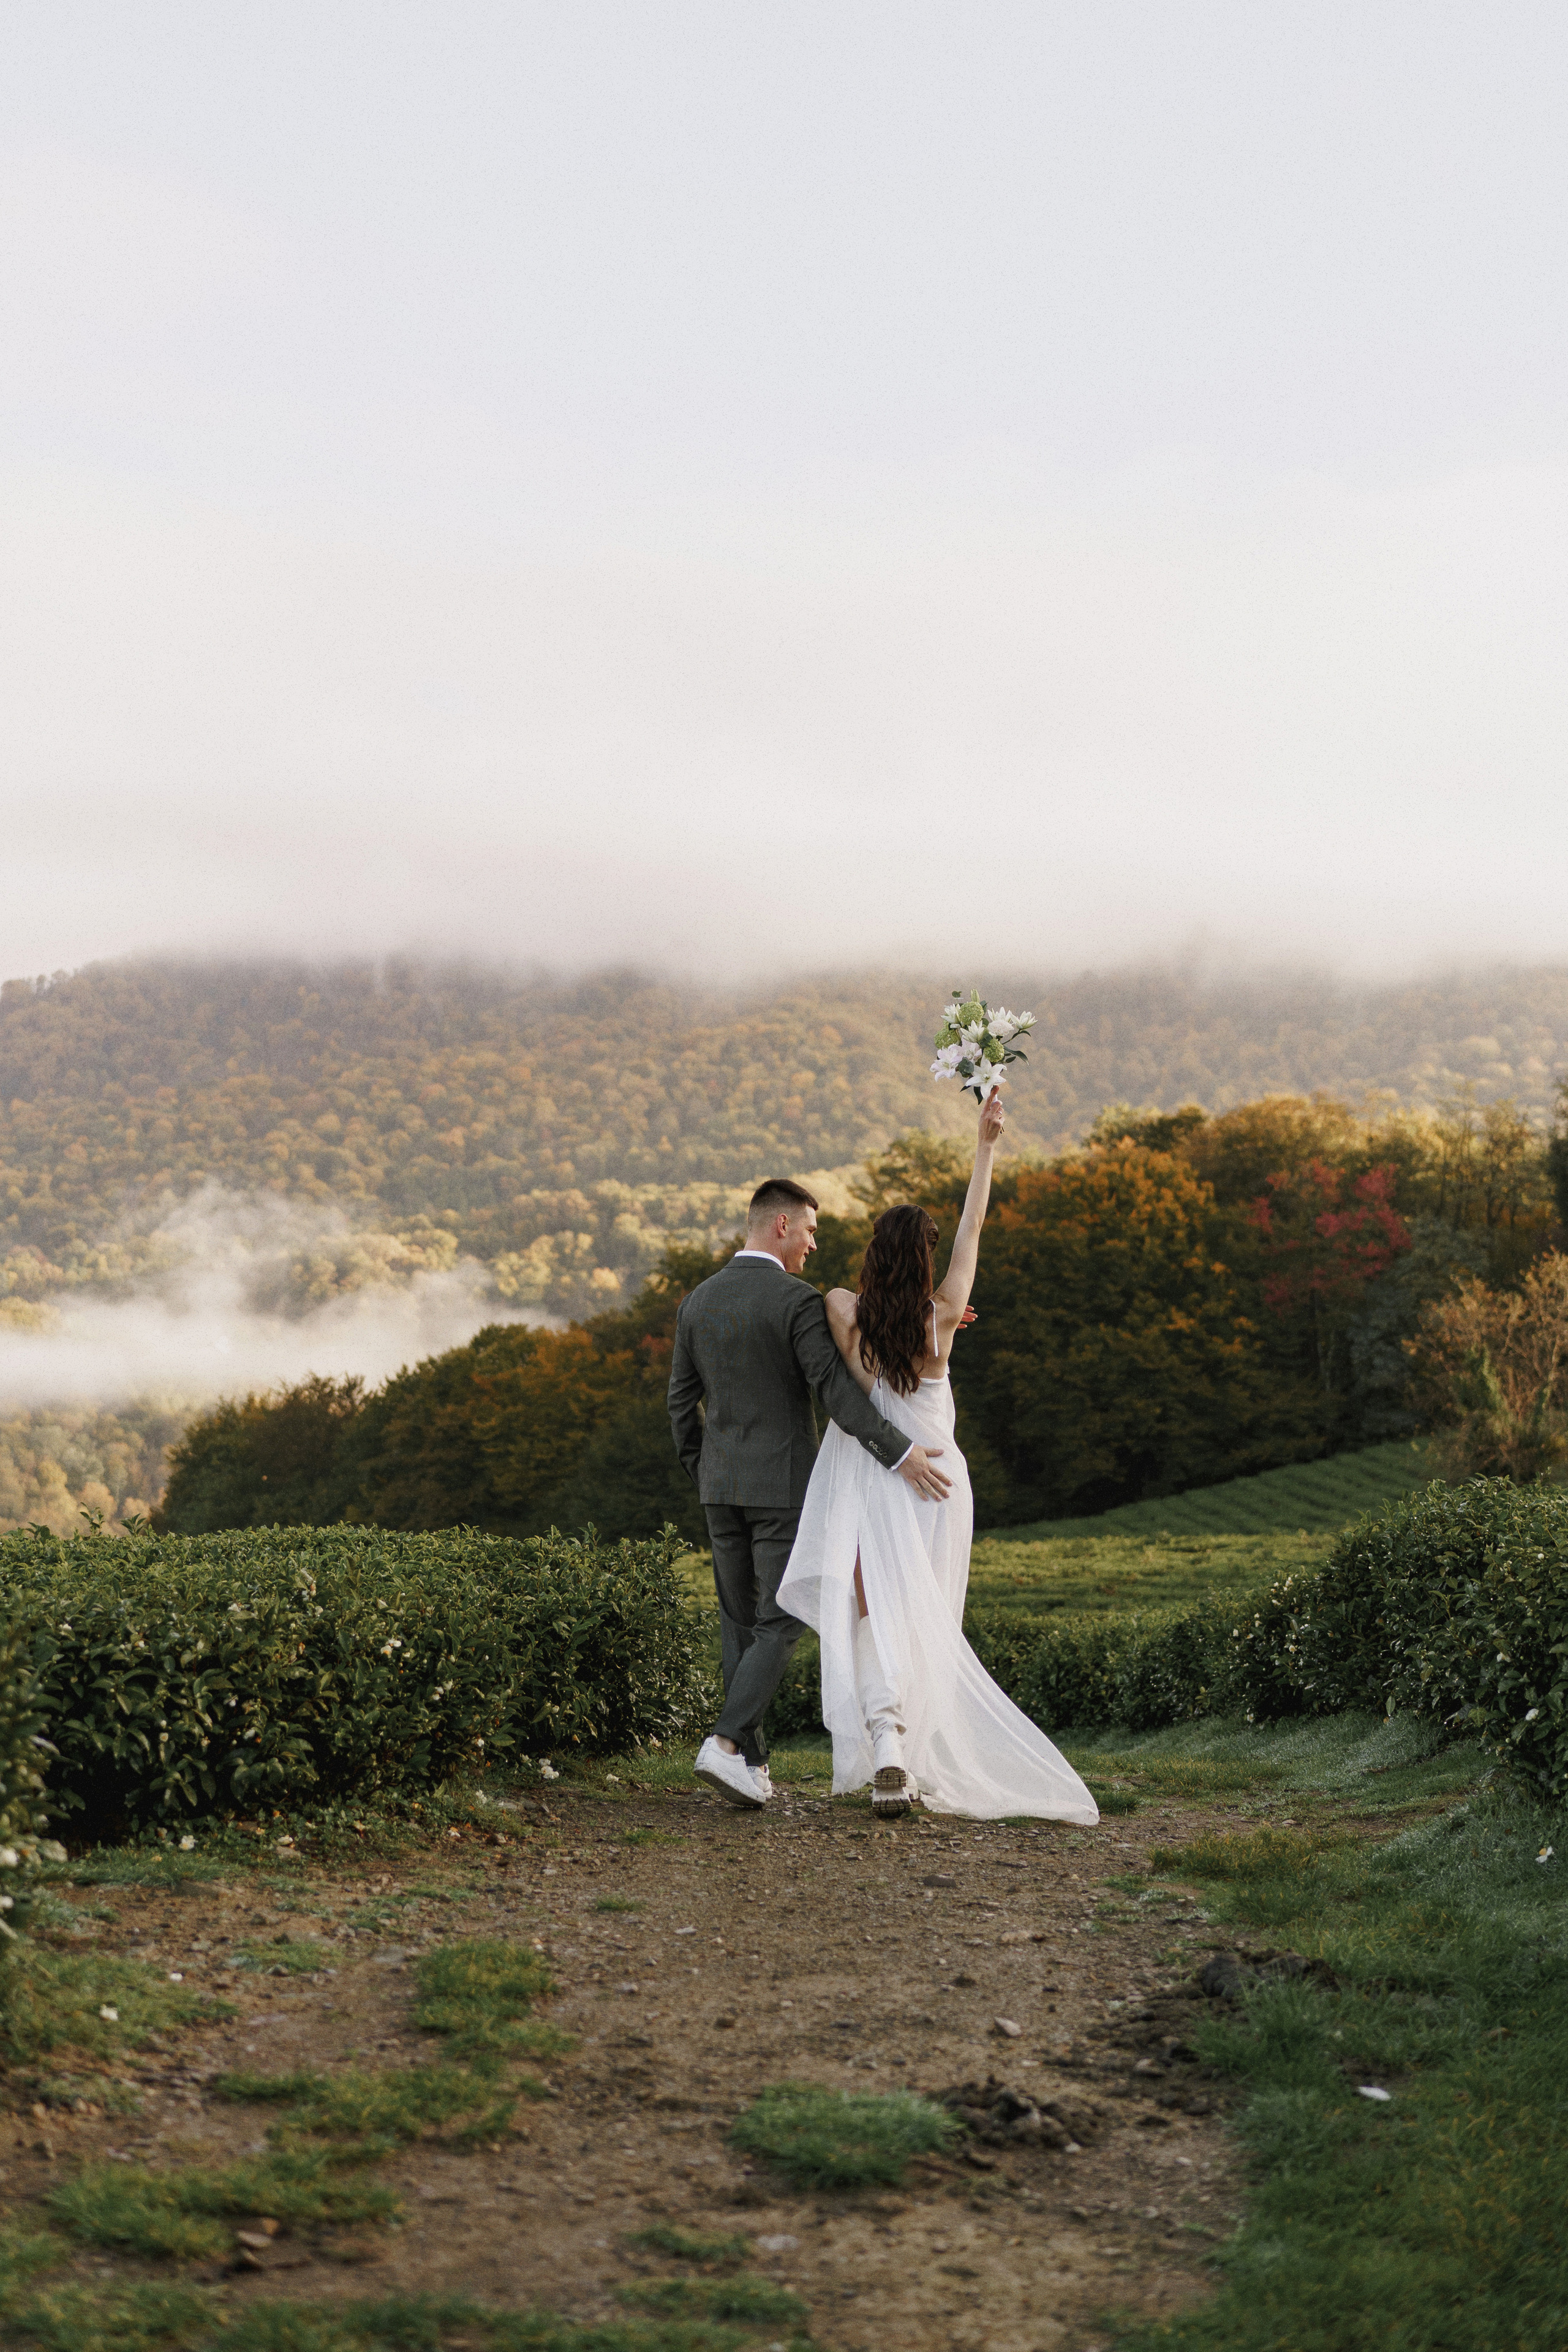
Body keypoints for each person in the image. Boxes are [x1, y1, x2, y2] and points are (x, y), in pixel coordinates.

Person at [777, 1094, 1099, 1825]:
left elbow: (837, 1300)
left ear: (872, 1256)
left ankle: (888, 1743)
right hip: (941, 1479)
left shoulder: (842, 1308)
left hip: (872, 1473)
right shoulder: (944, 1312)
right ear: (923, 1261)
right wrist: (984, 1146)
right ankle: (903, 1750)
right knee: (922, 1615)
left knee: (870, 1611)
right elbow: (974, 1225)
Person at [667, 1177, 954, 1810]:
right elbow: (836, 1390)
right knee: (781, 1620)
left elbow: (679, 1404)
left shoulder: (697, 1302)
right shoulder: (795, 1302)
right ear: (780, 1227)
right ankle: (722, 1744)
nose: (812, 1244)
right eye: (810, 1231)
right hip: (781, 1487)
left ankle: (753, 1765)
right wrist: (899, 1450)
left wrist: (705, 1471)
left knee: (739, 1623)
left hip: (719, 1488)